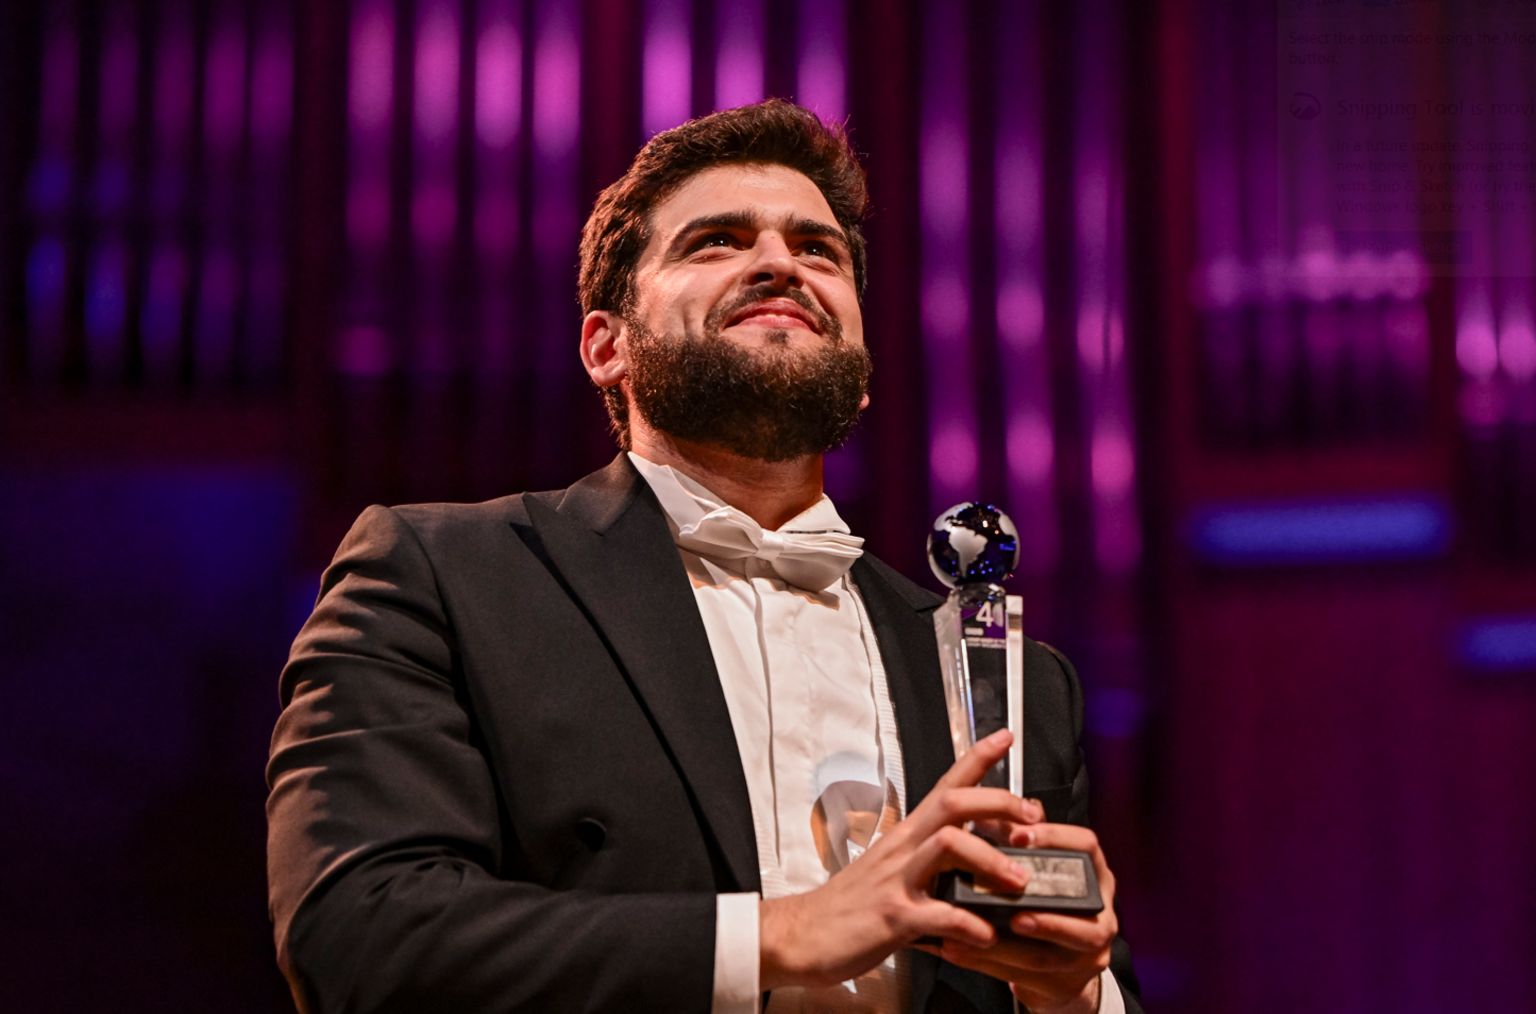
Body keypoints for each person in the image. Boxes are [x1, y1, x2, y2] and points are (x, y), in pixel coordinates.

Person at [267, 99, 1141, 1013]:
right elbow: (361, 934)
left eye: (819, 250)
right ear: (607, 347)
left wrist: (1071, 993)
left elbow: (1083, 977)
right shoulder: (441, 576)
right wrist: (785, 932)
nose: (779, 263)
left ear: (864, 364)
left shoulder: (1010, 670)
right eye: (717, 241)